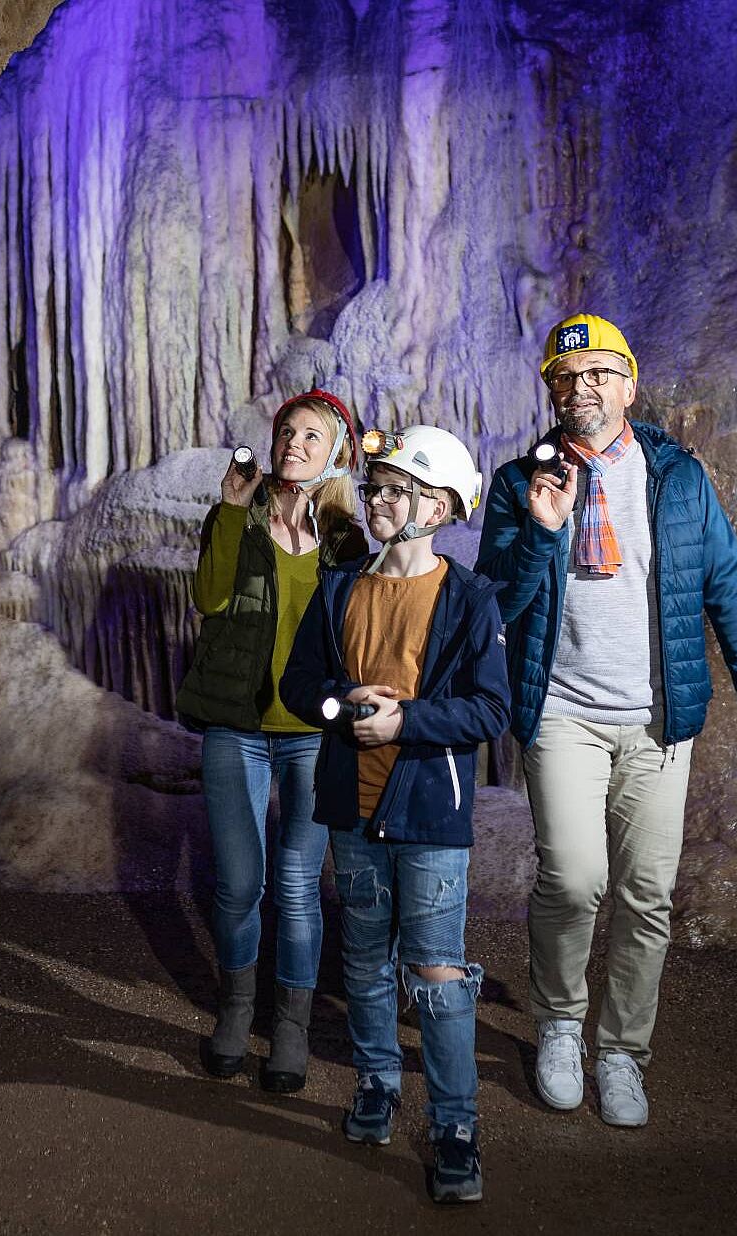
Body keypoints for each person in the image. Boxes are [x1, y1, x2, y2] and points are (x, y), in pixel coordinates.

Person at [475, 313, 737, 1129]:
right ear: (550, 388)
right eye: (567, 378)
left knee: (647, 895)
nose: (584, 389)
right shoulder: (519, 482)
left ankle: (621, 1051)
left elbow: (730, 594)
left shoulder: (678, 478)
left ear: (629, 382)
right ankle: (559, 1027)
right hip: (562, 715)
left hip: (658, 721)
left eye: (599, 374)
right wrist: (543, 536)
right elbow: (494, 610)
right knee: (574, 880)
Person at [279, 424, 508, 1204]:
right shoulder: (342, 586)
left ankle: (454, 1125)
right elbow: (298, 683)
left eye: (392, 491)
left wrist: (408, 722)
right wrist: (342, 707)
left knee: (437, 974)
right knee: (367, 959)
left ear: (436, 506)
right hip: (352, 805)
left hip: (430, 816)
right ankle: (377, 1083)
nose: (374, 501)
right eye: (374, 489)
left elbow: (490, 710)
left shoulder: (471, 598)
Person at [177, 390, 367, 1093]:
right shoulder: (237, 517)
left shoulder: (347, 538)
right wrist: (230, 508)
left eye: (310, 437)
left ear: (335, 454)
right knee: (238, 885)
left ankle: (289, 1026)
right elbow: (210, 597)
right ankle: (235, 1009)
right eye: (286, 432)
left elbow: (363, 626)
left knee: (295, 884)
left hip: (311, 734)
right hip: (238, 726)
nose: (292, 444)